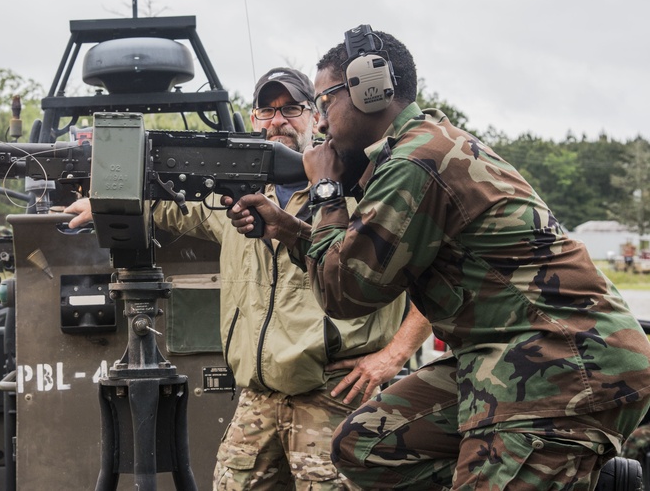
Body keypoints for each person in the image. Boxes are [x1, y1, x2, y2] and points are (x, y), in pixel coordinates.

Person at [226, 29, 650, 489]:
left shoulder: (417, 161)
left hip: (564, 364)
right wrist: (292, 231)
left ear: (371, 91)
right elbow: (357, 263)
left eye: (326, 101)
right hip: (501, 354)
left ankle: (560, 462)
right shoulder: (411, 151)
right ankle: (560, 471)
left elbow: (345, 292)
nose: (322, 123)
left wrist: (325, 189)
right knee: (365, 445)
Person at [66, 67, 432, 490]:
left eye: (292, 108)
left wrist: (393, 356)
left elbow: (431, 271)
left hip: (334, 396)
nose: (278, 120)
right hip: (257, 396)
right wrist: (105, 201)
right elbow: (167, 204)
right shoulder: (230, 192)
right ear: (253, 119)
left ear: (317, 116)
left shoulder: (356, 188)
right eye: (266, 110)